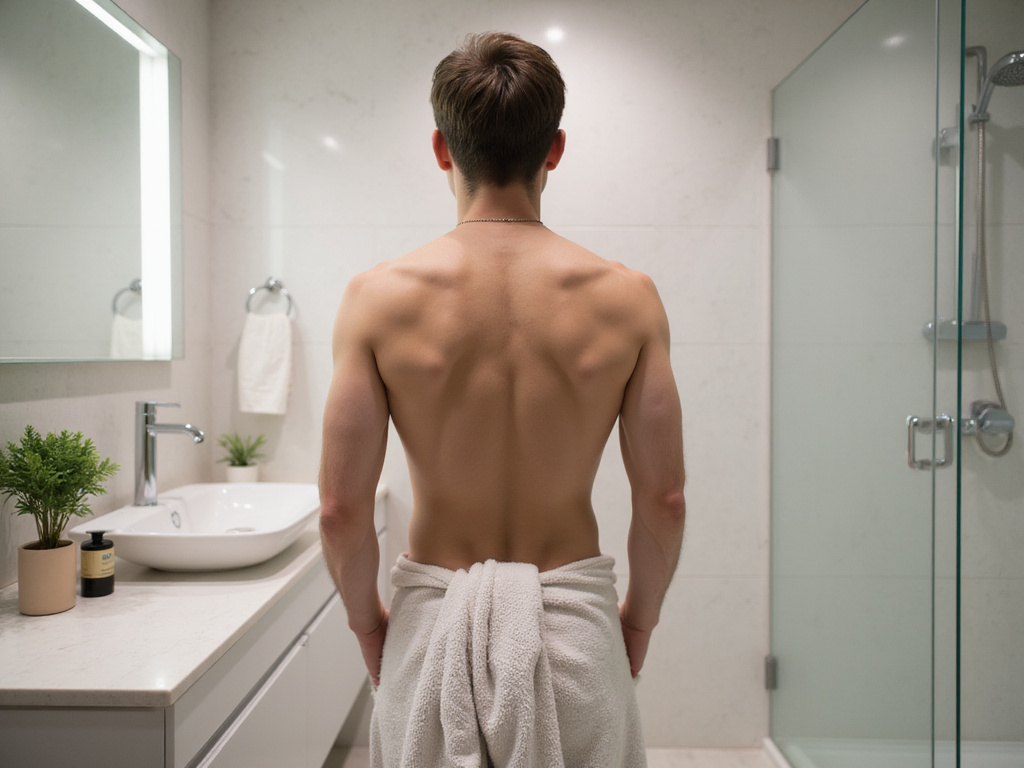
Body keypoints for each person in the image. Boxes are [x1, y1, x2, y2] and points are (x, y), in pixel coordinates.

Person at [319, 32, 685, 768]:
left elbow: (341, 509)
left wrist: (369, 627)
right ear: (553, 148)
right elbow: (665, 499)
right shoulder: (628, 300)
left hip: (432, 626)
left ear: (440, 148)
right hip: (574, 633)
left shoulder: (376, 300)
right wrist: (636, 626)